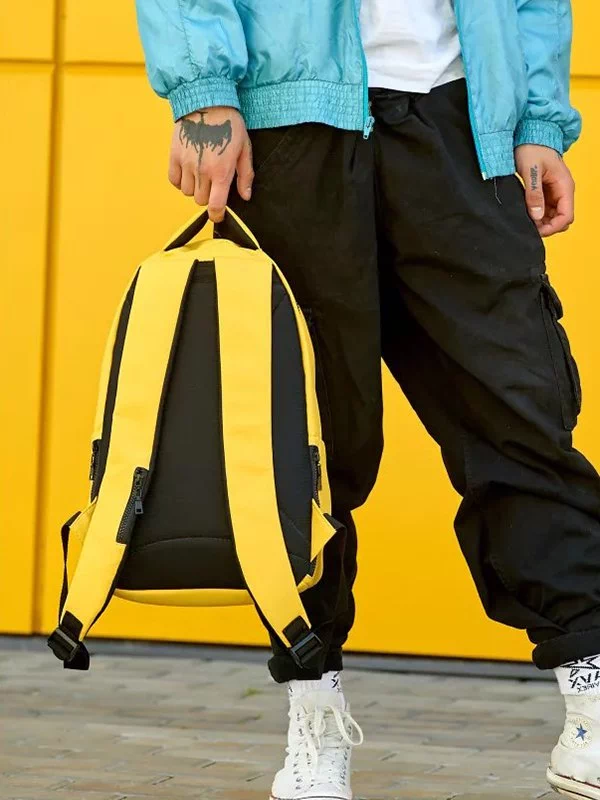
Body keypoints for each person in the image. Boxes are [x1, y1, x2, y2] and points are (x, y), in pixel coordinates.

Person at [135, 2, 600, 798]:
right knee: (302, 442)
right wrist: (203, 89)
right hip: (293, 127)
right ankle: (313, 710)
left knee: (518, 413)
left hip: (464, 124)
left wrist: (536, 119)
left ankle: (590, 691)